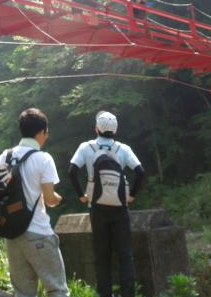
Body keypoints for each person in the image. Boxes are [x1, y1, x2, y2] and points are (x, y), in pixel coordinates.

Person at [68, 111, 145, 297]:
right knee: (125, 255)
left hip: (96, 207)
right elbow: (140, 172)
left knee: (102, 256)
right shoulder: (123, 149)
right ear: (116, 129)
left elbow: (71, 171)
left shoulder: (86, 147)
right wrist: (132, 195)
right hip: (120, 206)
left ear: (96, 128)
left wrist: (81, 195)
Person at [0, 108, 69, 297]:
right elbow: (50, 199)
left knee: (23, 293)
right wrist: (58, 199)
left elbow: (1, 192)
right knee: (56, 289)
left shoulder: (5, 156)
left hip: (13, 234)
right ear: (40, 132)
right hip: (38, 233)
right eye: (46, 132)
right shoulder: (43, 159)